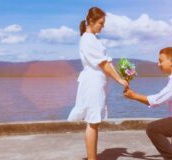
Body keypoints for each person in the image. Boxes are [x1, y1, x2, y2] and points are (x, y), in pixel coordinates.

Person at [67, 7, 129, 160]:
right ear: (91, 21)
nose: (103, 26)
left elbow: (107, 63)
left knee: (94, 122)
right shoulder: (88, 39)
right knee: (93, 121)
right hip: (93, 83)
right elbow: (104, 64)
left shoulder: (93, 39)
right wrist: (120, 80)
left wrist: (121, 76)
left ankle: (92, 157)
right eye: (101, 23)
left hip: (96, 82)